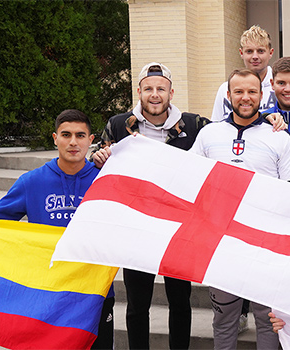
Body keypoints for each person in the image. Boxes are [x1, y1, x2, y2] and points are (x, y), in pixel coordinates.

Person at [93, 62, 210, 350]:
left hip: (178, 227)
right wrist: (98, 157)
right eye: (148, 88)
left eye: (161, 89)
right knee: (137, 304)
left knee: (180, 302)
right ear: (139, 91)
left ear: (171, 92)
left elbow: (231, 131)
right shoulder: (118, 124)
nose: (154, 94)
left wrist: (270, 120)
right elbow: (100, 155)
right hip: (137, 227)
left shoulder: (196, 125)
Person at [190, 68, 290, 350]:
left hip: (265, 244)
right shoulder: (208, 134)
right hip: (222, 245)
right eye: (238, 91)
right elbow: (190, 180)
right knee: (225, 320)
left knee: (267, 318)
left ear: (262, 96)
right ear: (228, 96)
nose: (245, 97)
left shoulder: (278, 137)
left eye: (252, 91)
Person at [0, 110, 114, 349]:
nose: (73, 142)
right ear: (54, 138)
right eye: (66, 134)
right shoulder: (32, 182)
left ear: (91, 140)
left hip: (96, 291)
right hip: (47, 292)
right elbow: (0, 225)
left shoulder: (106, 181)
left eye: (80, 135)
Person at [211, 25, 276, 121]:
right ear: (241, 53)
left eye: (260, 51)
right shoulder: (225, 89)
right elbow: (216, 125)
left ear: (270, 53)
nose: (255, 56)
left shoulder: (280, 87)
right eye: (249, 51)